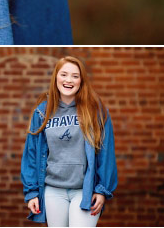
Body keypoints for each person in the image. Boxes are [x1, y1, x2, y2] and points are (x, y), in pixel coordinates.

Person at [21, 56, 117, 226]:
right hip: (52, 190)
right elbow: (31, 154)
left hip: (84, 191)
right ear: (56, 77)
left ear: (81, 81)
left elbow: (106, 152)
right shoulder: (42, 112)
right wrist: (32, 192)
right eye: (64, 74)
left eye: (75, 76)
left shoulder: (95, 111)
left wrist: (101, 189)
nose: (68, 80)